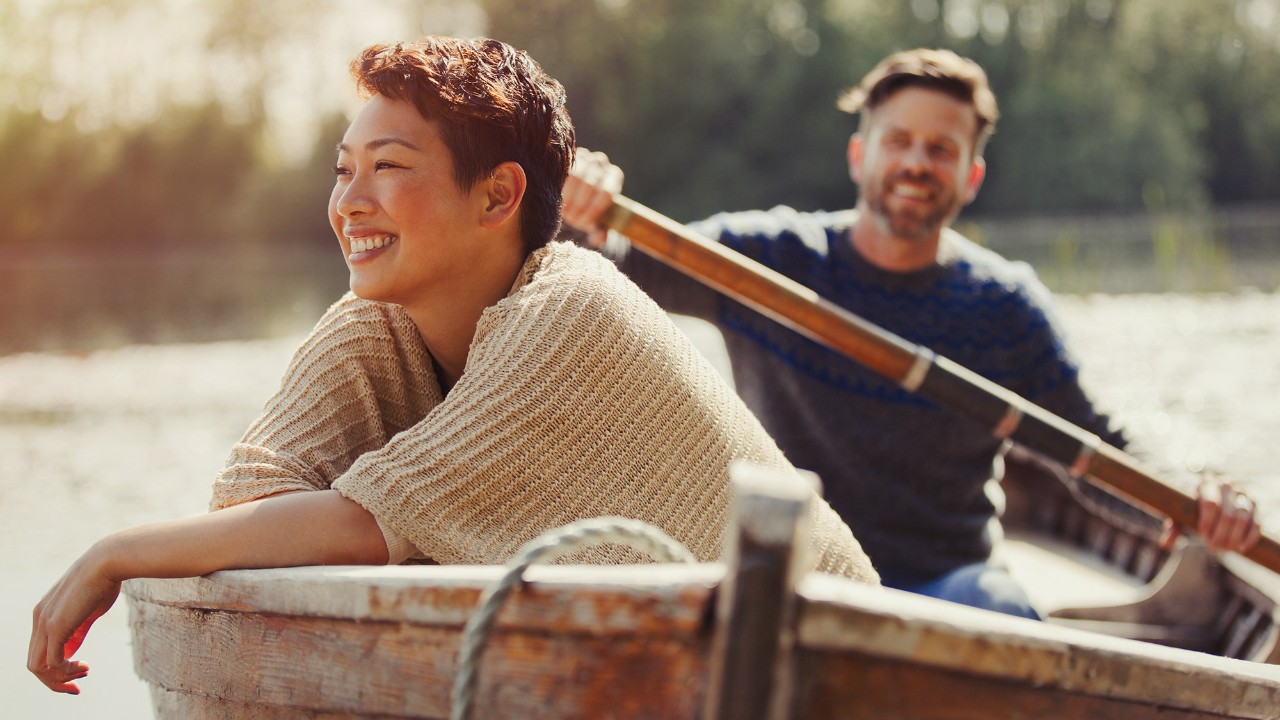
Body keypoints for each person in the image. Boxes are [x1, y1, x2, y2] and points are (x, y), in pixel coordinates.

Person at [29, 36, 878, 695]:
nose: (349, 201)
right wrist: (318, 526)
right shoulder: (376, 321)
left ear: (499, 196)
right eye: (343, 170)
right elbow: (254, 501)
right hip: (645, 675)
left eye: (388, 168)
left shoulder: (574, 311)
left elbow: (366, 522)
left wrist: (117, 551)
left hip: (846, 663)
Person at [563, 48, 1262, 619]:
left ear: (971, 175)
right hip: (792, 570)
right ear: (859, 156)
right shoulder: (768, 254)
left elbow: (1094, 450)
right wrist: (581, 211)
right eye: (898, 141)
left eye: (941, 149)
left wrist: (1191, 498)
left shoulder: (1005, 304)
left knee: (1011, 623)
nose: (917, 163)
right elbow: (604, 275)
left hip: (948, 582)